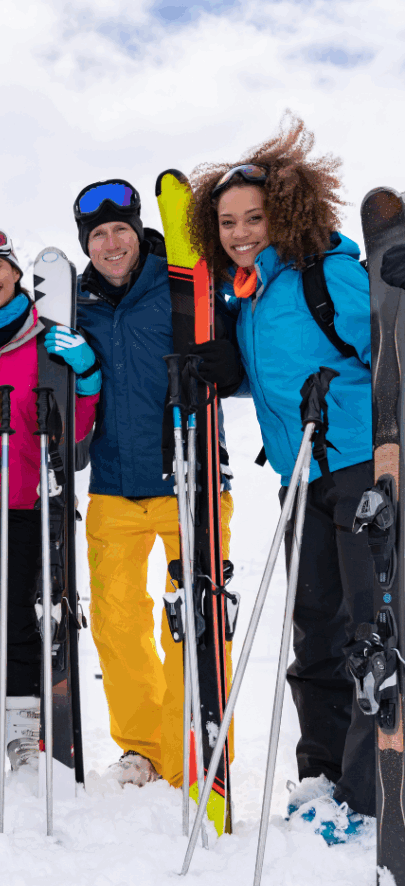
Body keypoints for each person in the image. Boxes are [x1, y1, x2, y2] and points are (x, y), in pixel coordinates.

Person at [189, 116, 374, 842]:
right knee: (315, 632)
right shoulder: (251, 295)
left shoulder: (330, 276)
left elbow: (383, 351)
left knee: (371, 633)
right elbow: (271, 374)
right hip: (301, 477)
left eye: (253, 218)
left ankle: (366, 788)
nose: (239, 232)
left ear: (287, 211)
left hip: (364, 471)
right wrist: (224, 372)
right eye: (228, 222)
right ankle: (321, 777)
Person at [73, 179, 234, 789]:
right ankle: (141, 748)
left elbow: (237, 357)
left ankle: (193, 741)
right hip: (113, 483)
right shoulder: (77, 305)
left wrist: (228, 364)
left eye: (120, 231)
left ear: (140, 231)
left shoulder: (185, 286)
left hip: (189, 478)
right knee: (117, 624)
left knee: (194, 620)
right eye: (97, 236)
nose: (111, 244)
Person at [0, 227, 99, 779]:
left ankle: (22, 728)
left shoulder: (46, 336)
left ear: (15, 272)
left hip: (32, 497)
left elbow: (77, 431)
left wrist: (88, 377)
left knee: (23, 613)